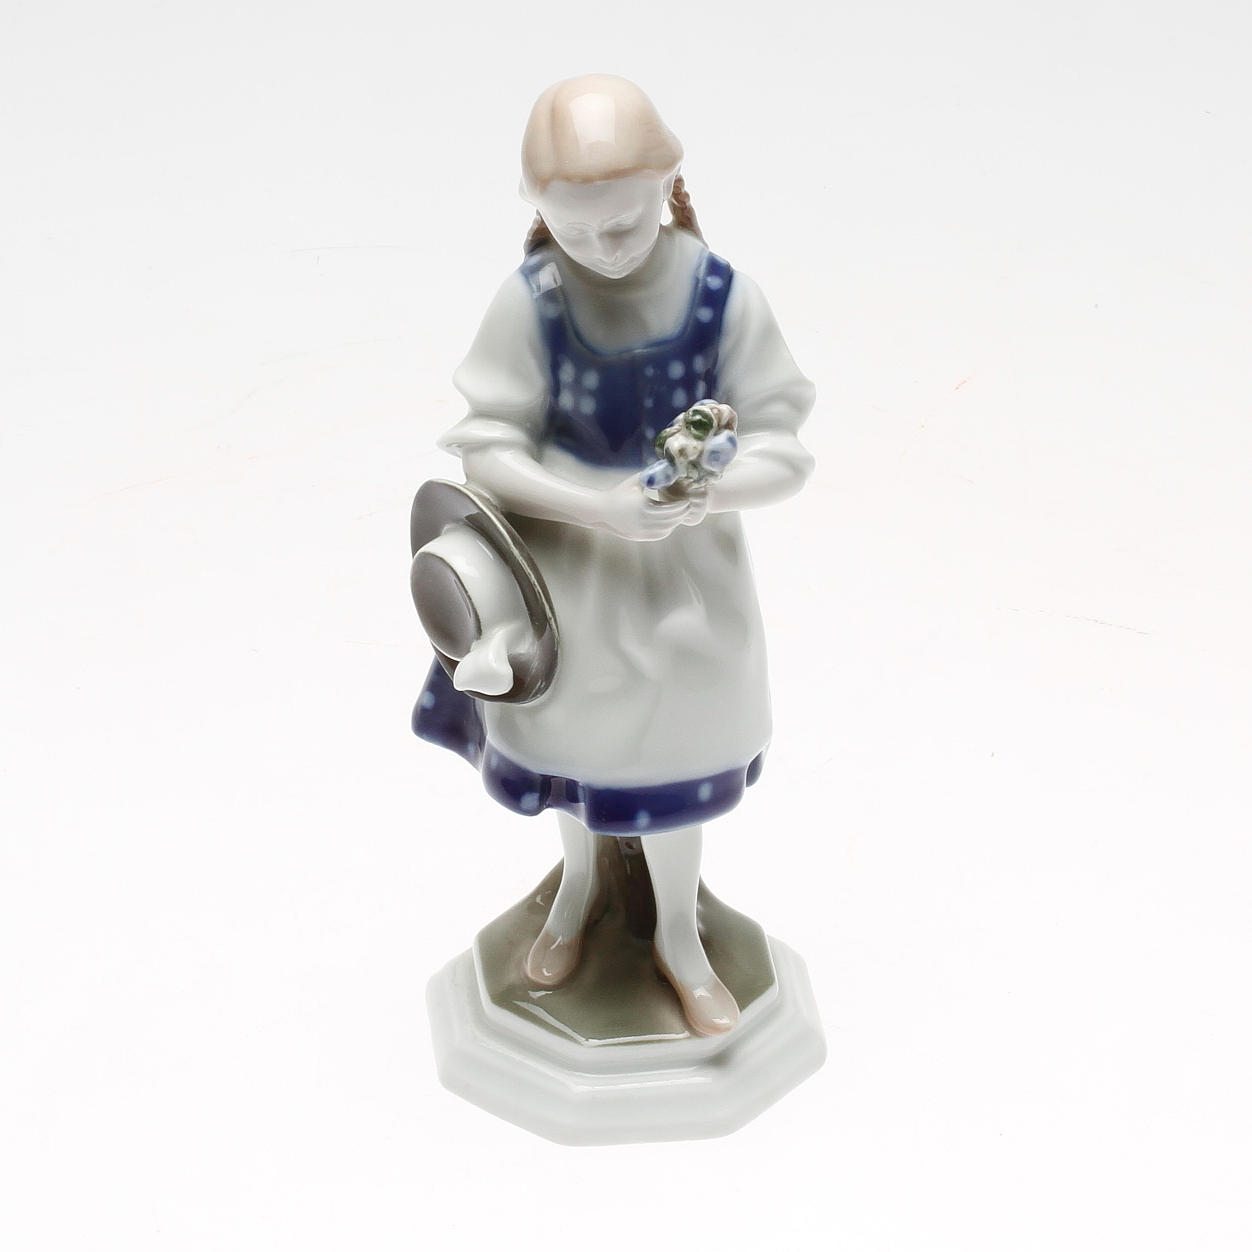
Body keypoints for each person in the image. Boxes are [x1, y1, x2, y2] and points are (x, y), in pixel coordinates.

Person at [415, 74, 815, 1035]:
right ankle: (578, 889)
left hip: (685, 588)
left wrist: (705, 491)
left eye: (626, 223)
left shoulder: (722, 296)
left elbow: (784, 445)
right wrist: (596, 505)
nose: (602, 246)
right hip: (568, 578)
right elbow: (486, 446)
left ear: (670, 184)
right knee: (575, 747)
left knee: (677, 749)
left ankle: (678, 932)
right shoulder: (533, 301)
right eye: (576, 227)